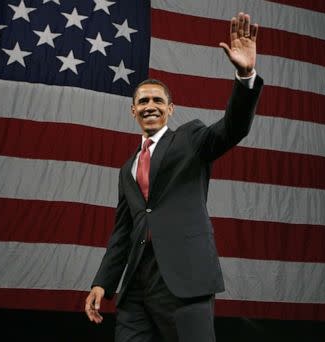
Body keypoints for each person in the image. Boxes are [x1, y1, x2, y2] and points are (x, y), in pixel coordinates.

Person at [85, 12, 263, 342]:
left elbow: (233, 128)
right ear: (133, 110)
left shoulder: (190, 139)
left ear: (170, 108)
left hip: (185, 280)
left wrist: (245, 75)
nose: (149, 106)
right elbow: (123, 230)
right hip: (137, 285)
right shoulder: (128, 168)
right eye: (142, 101)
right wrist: (102, 282)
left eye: (157, 100)